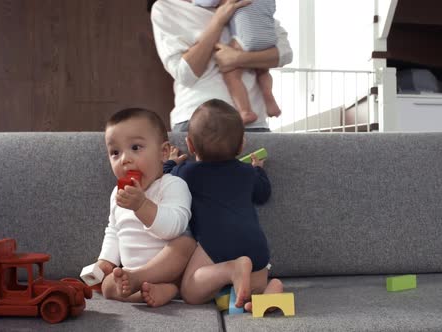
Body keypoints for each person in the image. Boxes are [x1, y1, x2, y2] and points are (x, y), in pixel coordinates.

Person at [163, 99, 283, 310]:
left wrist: (172, 162)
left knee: (190, 292)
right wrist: (258, 169)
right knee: (253, 289)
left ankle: (232, 270)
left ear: (190, 145)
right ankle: (271, 288)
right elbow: (263, 194)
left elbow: (165, 182)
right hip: (254, 243)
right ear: (241, 144)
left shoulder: (188, 172)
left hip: (217, 242)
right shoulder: (247, 173)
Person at [93, 108, 197, 307]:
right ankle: (146, 292)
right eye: (115, 152)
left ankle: (165, 285)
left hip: (168, 271)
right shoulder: (117, 194)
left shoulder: (172, 185)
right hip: (130, 272)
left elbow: (174, 227)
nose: (125, 159)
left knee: (185, 244)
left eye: (136, 147)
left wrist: (141, 205)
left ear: (163, 153)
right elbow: (114, 231)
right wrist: (105, 260)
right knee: (106, 286)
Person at [149, 0, 293, 132]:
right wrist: (218, 20)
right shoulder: (166, 7)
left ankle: (266, 101)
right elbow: (185, 75)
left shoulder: (244, 4)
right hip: (198, 120)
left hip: (252, 124)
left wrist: (238, 58)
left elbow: (285, 53)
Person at [191, 0, 281, 125]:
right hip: (268, 36)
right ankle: (269, 99)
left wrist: (196, 2)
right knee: (262, 71)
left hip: (246, 37)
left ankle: (245, 111)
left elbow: (208, 2)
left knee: (231, 73)